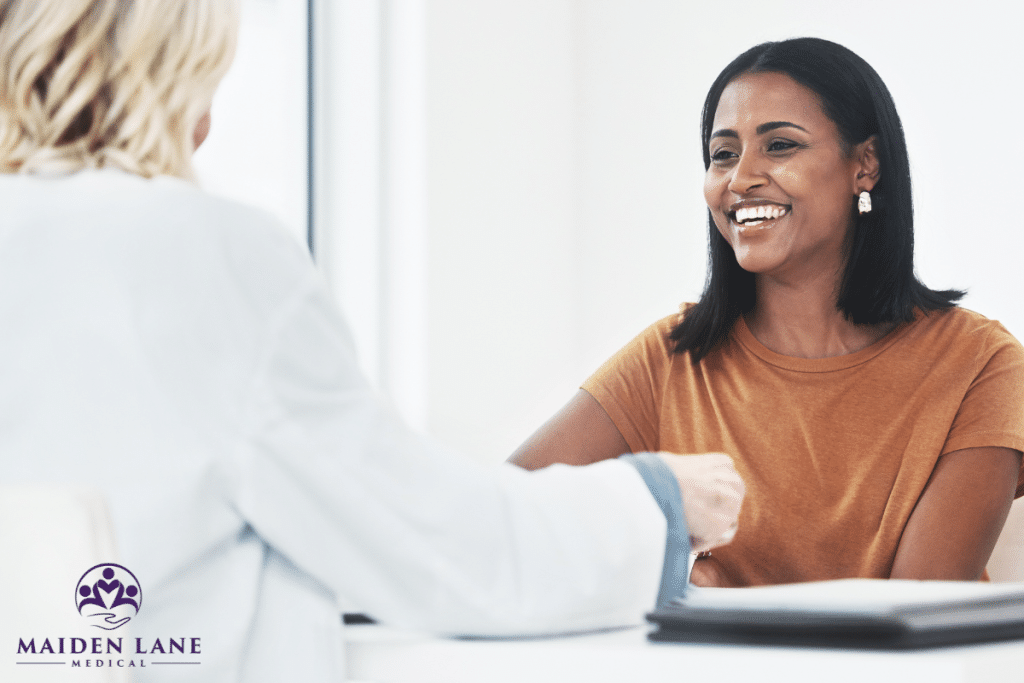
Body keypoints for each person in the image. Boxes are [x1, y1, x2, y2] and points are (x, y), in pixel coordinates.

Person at [0, 0, 745, 680]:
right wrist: (658, 503)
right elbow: (441, 543)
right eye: (207, 83)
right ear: (161, 75)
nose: (205, 128)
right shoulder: (190, 251)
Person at [511, 37, 1024, 589]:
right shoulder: (670, 360)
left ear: (866, 165)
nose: (739, 179)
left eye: (779, 146)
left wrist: (716, 597)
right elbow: (503, 522)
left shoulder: (982, 366)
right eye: (723, 154)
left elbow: (912, 613)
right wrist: (667, 564)